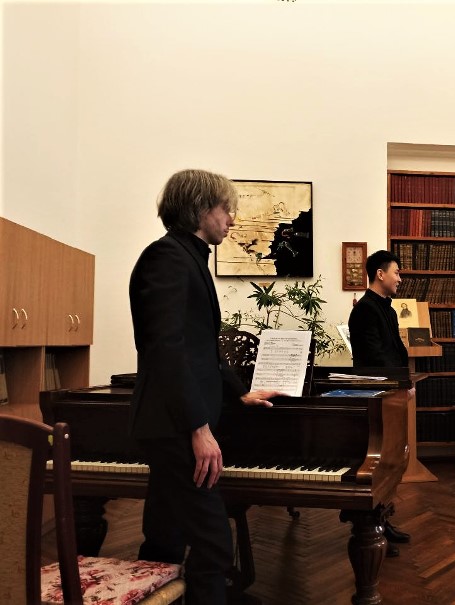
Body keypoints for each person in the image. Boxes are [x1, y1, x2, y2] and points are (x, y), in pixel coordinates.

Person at [129, 169, 281, 604]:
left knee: (164, 536)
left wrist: (239, 393)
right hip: (176, 426)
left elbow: (202, 350)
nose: (232, 219)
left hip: (174, 422)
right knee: (214, 543)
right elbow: (166, 348)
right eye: (225, 208)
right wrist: (197, 427)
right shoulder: (167, 257)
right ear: (200, 209)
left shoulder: (187, 256)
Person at [348, 249, 410, 556]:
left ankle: (384, 520)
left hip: (392, 392)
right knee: (380, 463)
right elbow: (374, 357)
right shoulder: (364, 310)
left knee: (392, 460)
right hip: (377, 396)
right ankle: (372, 528)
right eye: (396, 272)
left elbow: (396, 350)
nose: (400, 278)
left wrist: (406, 381)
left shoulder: (388, 309)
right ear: (380, 274)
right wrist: (399, 383)